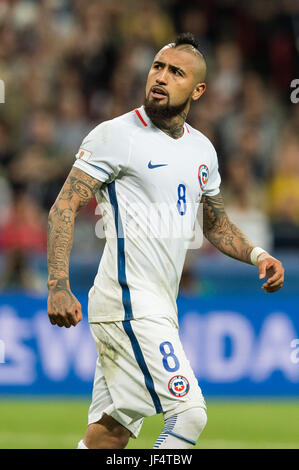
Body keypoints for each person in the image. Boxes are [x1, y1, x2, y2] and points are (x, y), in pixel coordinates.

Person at [47, 33, 285, 449]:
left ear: (198, 89)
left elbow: (216, 224)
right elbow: (63, 209)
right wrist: (58, 285)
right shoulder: (115, 135)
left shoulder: (202, 150)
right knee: (189, 414)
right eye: (158, 67)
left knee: (110, 434)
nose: (161, 77)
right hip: (128, 303)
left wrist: (258, 254)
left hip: (159, 306)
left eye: (176, 72)